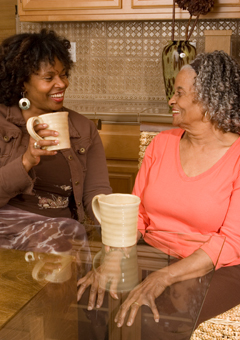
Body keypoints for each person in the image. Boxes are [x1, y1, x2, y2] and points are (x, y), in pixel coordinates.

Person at [77, 50, 240, 332]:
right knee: (92, 300)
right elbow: (137, 215)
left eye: (179, 93)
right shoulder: (161, 144)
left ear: (210, 100)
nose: (171, 101)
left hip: (214, 266)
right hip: (152, 252)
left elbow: (231, 241)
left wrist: (163, 277)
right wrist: (113, 261)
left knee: (152, 320)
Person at [0, 29, 112, 252]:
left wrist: (114, 232)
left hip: (61, 234)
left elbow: (96, 192)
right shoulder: (2, 122)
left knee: (62, 243)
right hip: (7, 232)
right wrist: (26, 161)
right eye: (49, 78)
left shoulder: (83, 128)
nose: (62, 84)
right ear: (23, 82)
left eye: (64, 74)